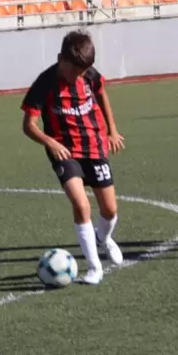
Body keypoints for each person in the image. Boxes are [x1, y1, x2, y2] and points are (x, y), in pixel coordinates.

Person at [21, 31, 126, 286]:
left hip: (94, 146)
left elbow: (102, 94)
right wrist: (50, 142)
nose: (77, 76)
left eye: (82, 72)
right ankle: (94, 267)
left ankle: (103, 238)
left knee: (110, 210)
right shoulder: (44, 83)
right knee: (81, 205)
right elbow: (28, 125)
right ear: (60, 59)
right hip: (64, 151)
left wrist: (112, 130)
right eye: (73, 71)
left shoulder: (89, 75)